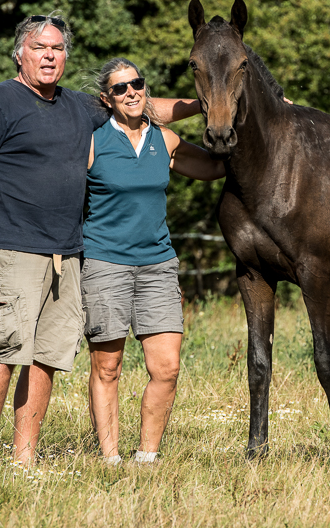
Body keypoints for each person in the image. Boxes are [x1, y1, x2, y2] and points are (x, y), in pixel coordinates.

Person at [0, 16, 199, 465]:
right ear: (20, 53)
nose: (49, 55)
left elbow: (143, 106)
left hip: (67, 253)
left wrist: (209, 102)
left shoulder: (79, 107)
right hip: (11, 247)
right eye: (40, 47)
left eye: (58, 48)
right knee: (3, 351)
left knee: (46, 358)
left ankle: (25, 458)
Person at [82, 57, 225, 464]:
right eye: (120, 88)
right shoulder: (93, 142)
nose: (131, 92)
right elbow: (54, 185)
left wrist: (262, 117)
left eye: (137, 84)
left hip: (158, 265)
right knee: (107, 368)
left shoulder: (166, 140)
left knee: (167, 368)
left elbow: (217, 166)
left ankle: (147, 456)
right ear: (107, 99)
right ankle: (110, 457)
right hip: (104, 263)